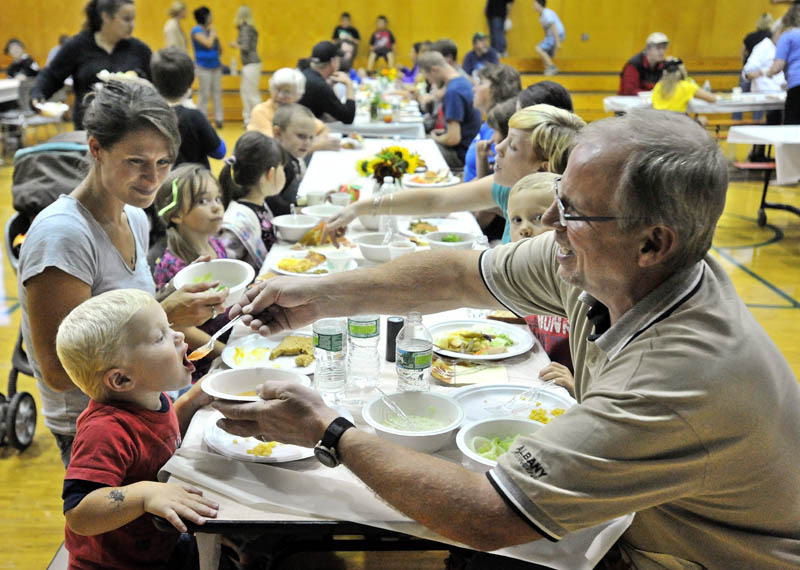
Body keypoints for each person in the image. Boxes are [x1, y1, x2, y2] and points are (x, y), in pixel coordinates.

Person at [216, 109, 800, 570]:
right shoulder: (609, 260)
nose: (546, 222)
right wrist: (314, 297)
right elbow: (457, 274)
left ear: (654, 243)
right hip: (642, 525)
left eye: (571, 210)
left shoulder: (679, 376)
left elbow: (489, 515)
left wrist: (328, 432)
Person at [18, 79, 228, 467]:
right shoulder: (64, 236)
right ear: (96, 147)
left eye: (163, 162)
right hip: (98, 431)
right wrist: (166, 315)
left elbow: (123, 312)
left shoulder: (134, 215)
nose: (153, 178)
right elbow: (59, 371)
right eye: (136, 161)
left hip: (148, 406)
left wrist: (173, 296)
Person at [56, 289, 218, 569]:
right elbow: (79, 512)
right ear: (121, 379)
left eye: (169, 327)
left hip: (156, 549)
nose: (179, 336)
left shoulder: (152, 397)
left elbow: (156, 442)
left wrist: (192, 401)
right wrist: (145, 494)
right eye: (160, 337)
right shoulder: (105, 431)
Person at [323, 104, 584, 244]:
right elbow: (435, 200)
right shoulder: (510, 189)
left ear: (543, 168)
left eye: (512, 146)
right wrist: (359, 208)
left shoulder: (559, 229)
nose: (498, 148)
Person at [31, 0, 152, 129]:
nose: (132, 25)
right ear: (105, 17)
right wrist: (37, 96)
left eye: (133, 19)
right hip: (89, 128)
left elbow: (155, 85)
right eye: (126, 19)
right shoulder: (78, 46)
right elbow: (51, 76)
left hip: (131, 128)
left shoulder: (140, 50)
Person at [506, 172, 574, 376]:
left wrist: (578, 384)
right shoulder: (524, 270)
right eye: (516, 220)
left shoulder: (578, 279)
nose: (524, 228)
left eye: (537, 218)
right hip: (537, 366)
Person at [219, 131, 287, 271]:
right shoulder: (237, 222)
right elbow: (224, 270)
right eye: (283, 168)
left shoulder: (259, 204)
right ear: (271, 174)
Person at [150, 47, 225, 170]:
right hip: (194, 183)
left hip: (163, 184)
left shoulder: (150, 115)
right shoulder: (194, 116)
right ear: (191, 80)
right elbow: (219, 152)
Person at [417, 51, 483, 169]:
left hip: (459, 155)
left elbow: (453, 138)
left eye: (428, 78)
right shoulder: (462, 81)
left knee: (416, 153)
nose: (430, 82)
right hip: (467, 147)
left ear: (434, 70)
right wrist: (442, 133)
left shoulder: (453, 92)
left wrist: (434, 138)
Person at [465, 63, 521, 182]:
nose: (474, 88)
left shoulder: (503, 127)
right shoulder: (488, 123)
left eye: (480, 83)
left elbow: (492, 181)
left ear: (497, 89)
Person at [743, 21, 786, 160]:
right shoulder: (763, 47)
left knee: (777, 121)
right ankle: (758, 154)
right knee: (771, 121)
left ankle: (764, 154)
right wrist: (765, 71)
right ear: (777, 32)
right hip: (765, 94)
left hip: (780, 95)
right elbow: (748, 71)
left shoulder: (782, 47)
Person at [268, 103, 315, 216]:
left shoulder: (291, 158)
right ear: (278, 133)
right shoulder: (278, 162)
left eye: (311, 137)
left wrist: (309, 201)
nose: (307, 142)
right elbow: (271, 201)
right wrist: (298, 212)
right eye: (301, 136)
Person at [298, 41, 355, 125]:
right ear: (333, 61)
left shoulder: (307, 75)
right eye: (338, 59)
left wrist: (330, 86)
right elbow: (348, 117)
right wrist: (349, 84)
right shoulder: (319, 86)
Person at [735, 13, 774, 121]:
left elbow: (742, 51)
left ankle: (735, 120)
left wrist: (744, 63)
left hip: (748, 71)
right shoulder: (771, 38)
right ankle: (757, 121)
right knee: (760, 101)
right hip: (762, 72)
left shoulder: (750, 36)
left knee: (739, 99)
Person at [191, 6, 223, 129]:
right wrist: (213, 35)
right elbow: (208, 44)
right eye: (209, 15)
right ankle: (202, 120)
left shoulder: (210, 31)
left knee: (217, 93)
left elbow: (219, 50)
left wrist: (216, 38)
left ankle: (219, 119)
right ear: (204, 17)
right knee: (204, 94)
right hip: (203, 67)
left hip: (216, 66)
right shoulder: (196, 30)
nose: (211, 18)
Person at [767, 5, 800, 124]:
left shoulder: (787, 36)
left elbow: (777, 66)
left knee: (792, 127)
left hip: (797, 87)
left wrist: (768, 72)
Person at [230, 5, 261, 125]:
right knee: (246, 92)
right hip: (250, 64)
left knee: (251, 93)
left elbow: (246, 47)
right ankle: (249, 119)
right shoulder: (248, 28)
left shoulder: (246, 29)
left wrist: (235, 45)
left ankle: (257, 118)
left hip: (251, 63)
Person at [651, 58, 717, 113]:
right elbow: (713, 99)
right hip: (677, 123)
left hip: (658, 123)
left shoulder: (658, 85)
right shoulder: (687, 86)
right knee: (703, 120)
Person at [533, 0, 565, 76]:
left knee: (539, 49)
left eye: (534, 4)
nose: (533, 7)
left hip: (556, 34)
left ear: (539, 4)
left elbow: (553, 27)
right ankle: (548, 68)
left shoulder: (546, 13)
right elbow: (546, 30)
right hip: (552, 35)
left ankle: (552, 67)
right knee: (546, 53)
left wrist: (557, 43)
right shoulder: (541, 16)